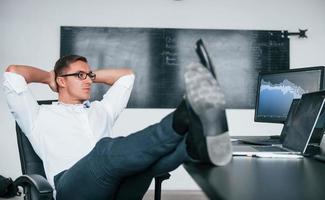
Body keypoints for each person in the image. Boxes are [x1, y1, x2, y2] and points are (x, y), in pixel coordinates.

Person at [3, 55, 232, 200]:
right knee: (104, 150)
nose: (89, 81)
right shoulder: (37, 115)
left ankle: (194, 147)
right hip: (72, 189)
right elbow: (13, 73)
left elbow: (127, 77)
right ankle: (183, 116)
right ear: (61, 81)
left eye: (90, 75)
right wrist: (49, 77)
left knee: (143, 163)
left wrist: (86, 74)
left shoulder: (101, 110)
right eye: (80, 75)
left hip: (117, 188)